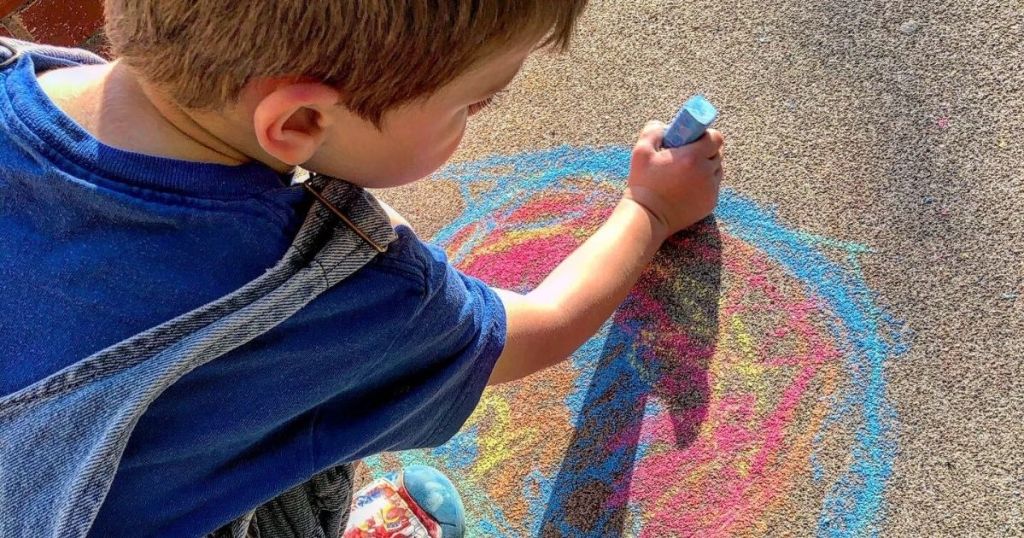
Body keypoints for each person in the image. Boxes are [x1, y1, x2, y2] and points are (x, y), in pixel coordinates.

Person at [0, 0, 724, 536]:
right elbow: (541, 327)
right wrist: (652, 211)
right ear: (300, 124)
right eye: (472, 103)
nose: (475, 116)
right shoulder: (338, 290)